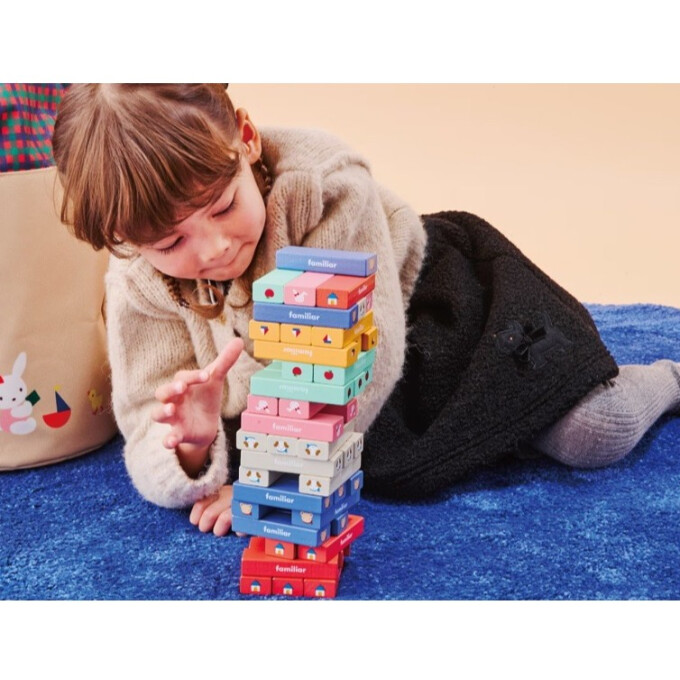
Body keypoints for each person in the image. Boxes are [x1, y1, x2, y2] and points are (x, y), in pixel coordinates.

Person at [52, 84, 680, 536]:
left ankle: (668, 376)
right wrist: (190, 449)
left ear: (245, 139)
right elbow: (146, 418)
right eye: (171, 244)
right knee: (332, 455)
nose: (214, 249)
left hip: (424, 323)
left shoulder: (325, 190)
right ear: (127, 241)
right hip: (293, 402)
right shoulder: (137, 278)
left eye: (222, 207)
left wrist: (274, 484)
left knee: (595, 432)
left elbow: (362, 359)